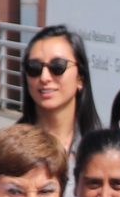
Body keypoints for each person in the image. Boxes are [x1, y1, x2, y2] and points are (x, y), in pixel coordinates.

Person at [19, 23, 101, 152]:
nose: (44, 77)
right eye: (34, 67)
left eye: (57, 66)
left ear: (80, 78)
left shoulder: (101, 150)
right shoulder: (9, 148)